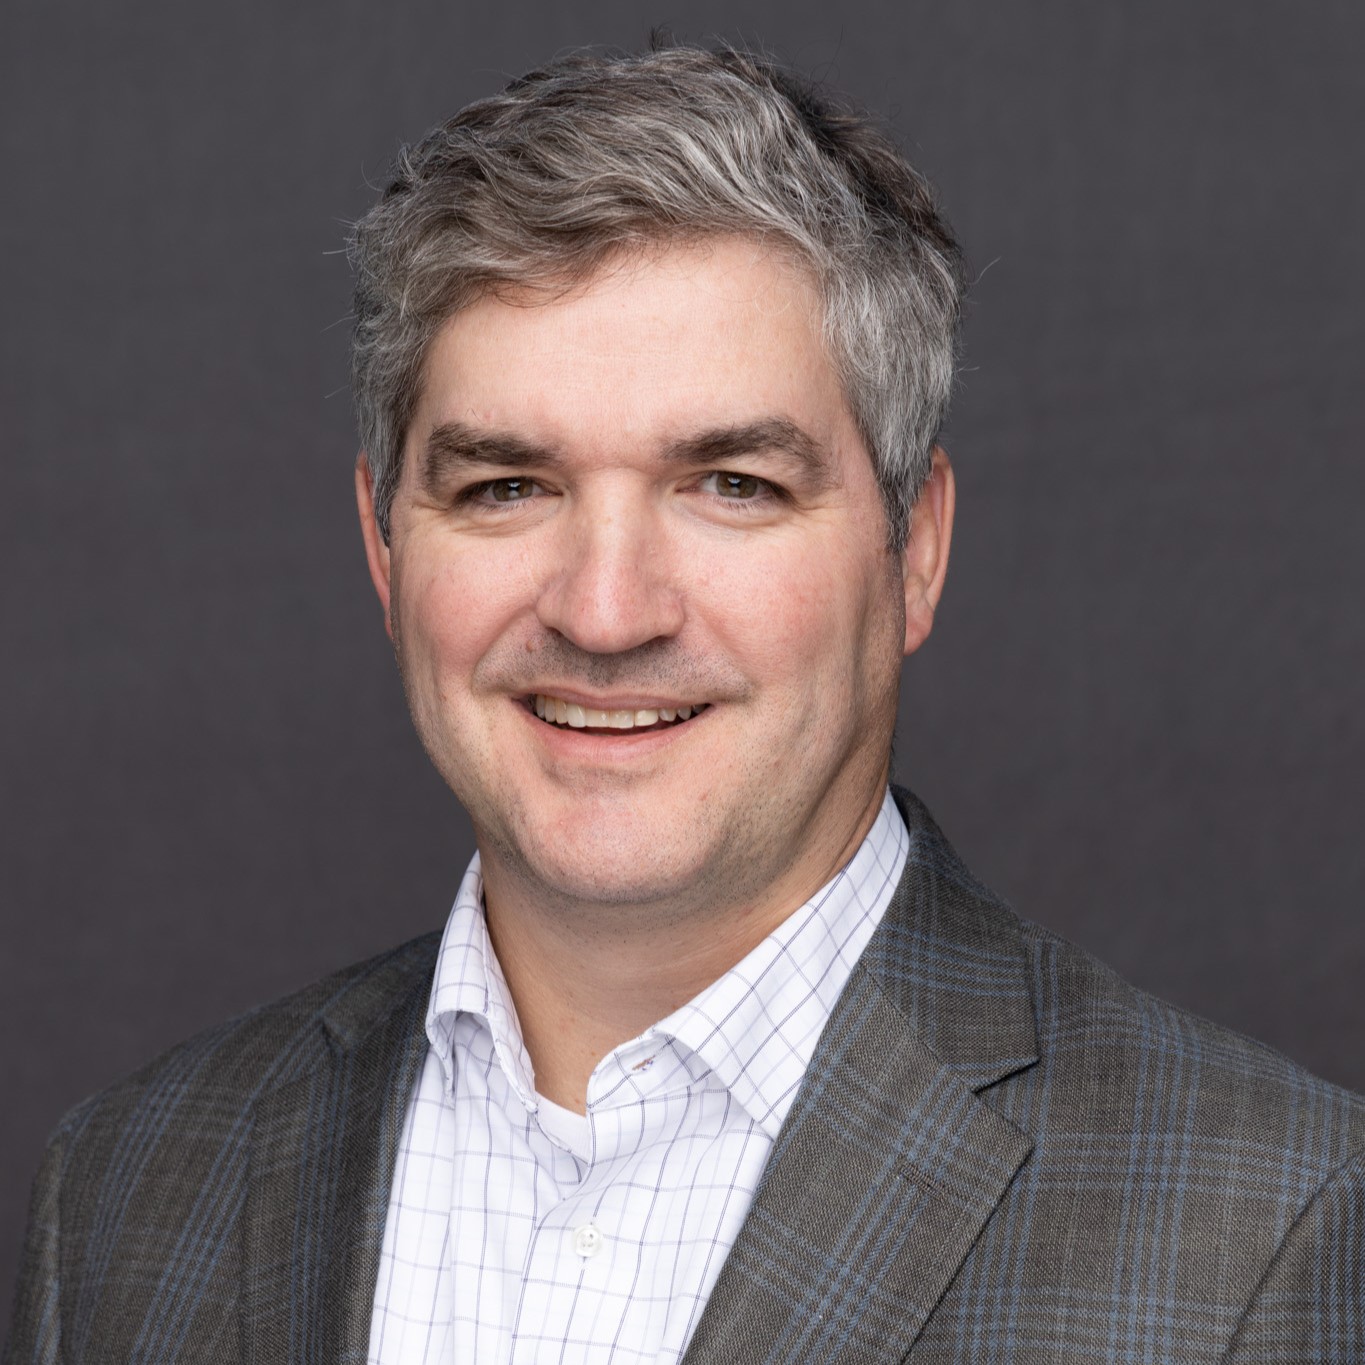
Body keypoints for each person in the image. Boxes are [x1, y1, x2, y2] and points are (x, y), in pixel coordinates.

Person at [6, 42, 1363, 1365]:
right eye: (505, 487)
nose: (605, 611)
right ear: (382, 543)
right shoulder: (131, 1190)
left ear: (916, 549)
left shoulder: (1261, 1228)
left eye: (731, 486)